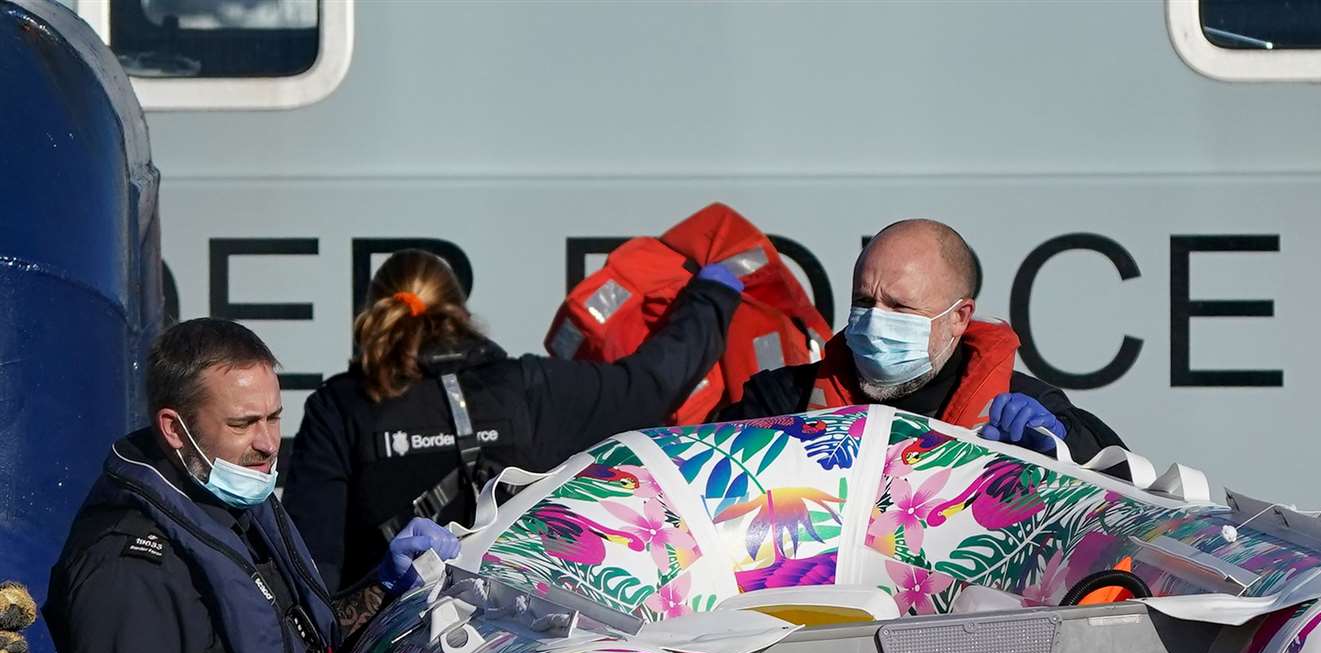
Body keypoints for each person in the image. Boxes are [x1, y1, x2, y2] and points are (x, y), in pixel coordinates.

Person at [46, 319, 460, 653]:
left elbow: (305, 642)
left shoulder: (236, 507)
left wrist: (383, 586)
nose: (268, 444)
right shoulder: (131, 565)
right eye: (243, 424)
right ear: (175, 429)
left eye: (274, 418)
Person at [283, 249, 744, 591]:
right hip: (507, 644)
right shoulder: (527, 387)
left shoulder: (339, 407)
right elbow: (651, 385)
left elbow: (309, 562)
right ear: (461, 314)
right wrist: (713, 296)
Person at [717, 218, 1124, 458]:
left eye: (900, 307)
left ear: (959, 318)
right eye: (864, 300)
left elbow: (1122, 474)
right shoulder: (781, 399)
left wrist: (1062, 445)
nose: (876, 319)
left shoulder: (1021, 408)